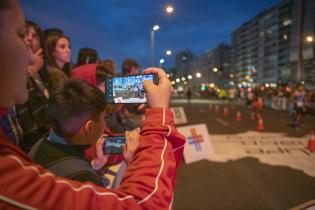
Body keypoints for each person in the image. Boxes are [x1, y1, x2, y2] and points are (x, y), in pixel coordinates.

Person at [0, 1, 185, 209]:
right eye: (20, 36)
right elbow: (141, 204)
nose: (31, 56)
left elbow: (97, 143)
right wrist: (159, 115)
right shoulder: (75, 173)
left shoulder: (45, 143)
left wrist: (103, 158)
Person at [29, 79, 139, 187]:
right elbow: (117, 203)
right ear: (89, 127)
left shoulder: (37, 147)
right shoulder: (84, 179)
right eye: (103, 118)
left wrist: (95, 165)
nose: (104, 124)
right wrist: (129, 164)